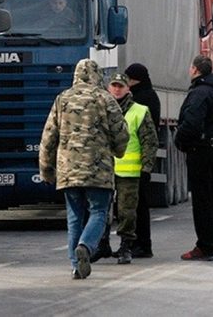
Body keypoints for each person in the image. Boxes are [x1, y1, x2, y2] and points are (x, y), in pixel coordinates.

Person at [39, 59, 128, 280]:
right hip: (99, 169)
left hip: (68, 170)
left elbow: (48, 137)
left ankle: (75, 266)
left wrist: (46, 170)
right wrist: (118, 151)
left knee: (74, 217)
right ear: (98, 76)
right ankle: (86, 247)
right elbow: (121, 133)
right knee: (98, 212)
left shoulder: (62, 99)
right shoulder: (105, 99)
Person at [101, 72, 158, 265]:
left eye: (121, 86)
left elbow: (150, 142)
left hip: (129, 172)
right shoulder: (101, 109)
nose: (117, 89)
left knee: (127, 212)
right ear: (109, 88)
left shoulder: (140, 111)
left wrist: (146, 168)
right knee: (101, 210)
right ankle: (102, 244)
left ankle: (126, 246)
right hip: (104, 170)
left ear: (128, 88)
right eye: (114, 86)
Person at [175, 55, 213, 262]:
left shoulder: (199, 93)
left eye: (191, 67)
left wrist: (180, 140)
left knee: (201, 200)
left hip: (200, 150)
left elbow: (192, 123)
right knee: (211, 198)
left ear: (196, 70)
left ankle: (205, 246)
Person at [124, 63, 161, 258]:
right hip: (139, 160)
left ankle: (142, 244)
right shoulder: (150, 96)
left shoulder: (140, 100)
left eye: (128, 78)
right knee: (137, 205)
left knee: (138, 206)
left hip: (137, 160)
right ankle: (139, 243)